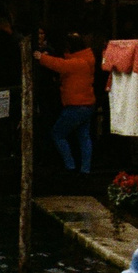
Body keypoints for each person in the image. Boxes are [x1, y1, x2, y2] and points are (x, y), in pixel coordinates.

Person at [35, 33, 100, 179]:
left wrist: (41, 57)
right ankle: (85, 169)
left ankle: (70, 166)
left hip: (75, 105)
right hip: (87, 104)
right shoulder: (87, 60)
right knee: (84, 137)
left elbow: (60, 65)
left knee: (58, 134)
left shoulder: (77, 63)